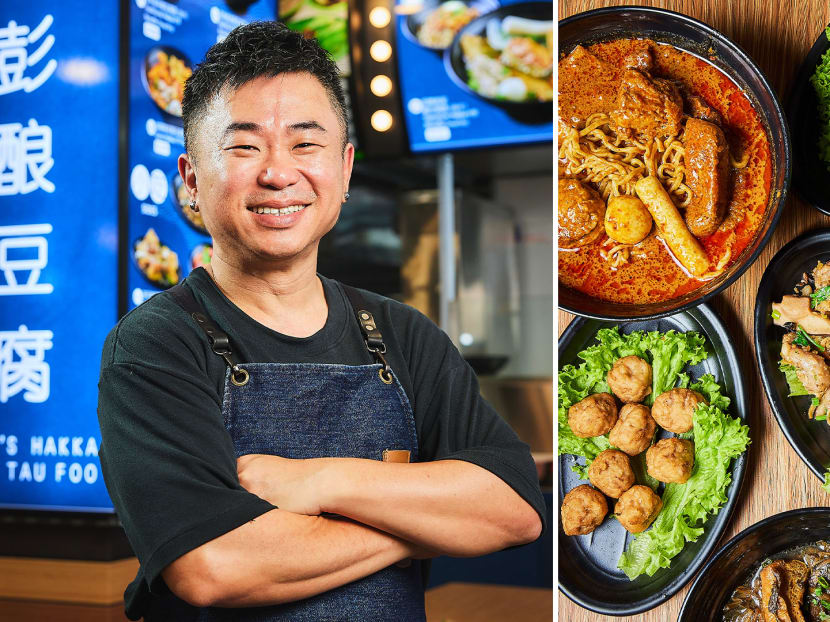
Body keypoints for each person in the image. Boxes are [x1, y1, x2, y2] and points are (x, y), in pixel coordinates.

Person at [97, 21, 545, 621]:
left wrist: (326, 482)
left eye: (305, 144)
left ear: (346, 168)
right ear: (192, 180)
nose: (278, 173)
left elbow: (515, 508)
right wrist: (422, 525)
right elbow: (213, 565)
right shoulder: (154, 344)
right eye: (244, 147)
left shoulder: (404, 334)